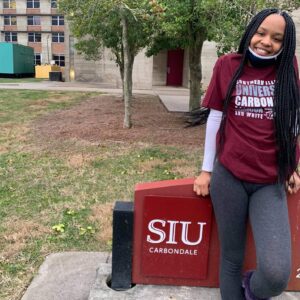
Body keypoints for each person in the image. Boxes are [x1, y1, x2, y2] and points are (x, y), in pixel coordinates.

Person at [193, 8, 300, 300]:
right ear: (250, 31)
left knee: (277, 275)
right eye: (261, 33)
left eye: (277, 38)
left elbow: (293, 121)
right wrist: (207, 170)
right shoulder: (228, 65)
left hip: (269, 180)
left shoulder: (288, 68)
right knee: (231, 258)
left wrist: (292, 165)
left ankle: (250, 289)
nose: (266, 41)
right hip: (229, 176)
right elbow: (215, 119)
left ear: (285, 43)